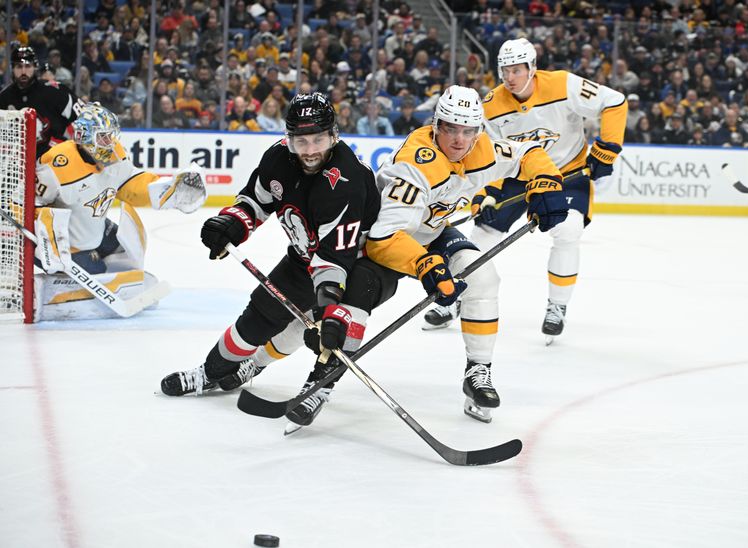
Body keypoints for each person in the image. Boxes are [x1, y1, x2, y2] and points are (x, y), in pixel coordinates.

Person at [261, 86, 567, 429]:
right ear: (436, 125)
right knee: (344, 315)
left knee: (483, 278)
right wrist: (424, 265)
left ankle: (478, 371)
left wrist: (547, 181)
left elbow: (529, 153)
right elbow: (383, 239)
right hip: (379, 242)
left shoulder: (484, 148)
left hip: (431, 234)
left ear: (479, 130)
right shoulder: (415, 165)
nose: (458, 139)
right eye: (450, 128)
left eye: (468, 130)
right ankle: (310, 381)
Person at [159, 93, 382, 408]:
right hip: (303, 257)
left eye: (318, 140)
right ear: (289, 139)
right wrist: (232, 225)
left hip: (354, 264)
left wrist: (325, 309)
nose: (311, 150)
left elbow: (334, 257)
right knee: (257, 319)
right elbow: (255, 201)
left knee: (334, 329)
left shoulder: (347, 179)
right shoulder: (277, 159)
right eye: (302, 142)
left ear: (333, 135)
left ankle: (314, 384)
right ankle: (210, 372)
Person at [422, 39, 627, 346]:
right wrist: (484, 195)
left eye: (517, 70)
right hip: (518, 175)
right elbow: (485, 156)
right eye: (505, 70)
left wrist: (607, 148)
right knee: (481, 236)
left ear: (532, 67)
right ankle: (460, 299)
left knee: (568, 230)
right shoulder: (490, 105)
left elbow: (614, 101)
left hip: (566, 174)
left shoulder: (563, 84)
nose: (510, 77)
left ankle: (557, 306)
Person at [33, 103, 206, 312]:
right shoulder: (55, 165)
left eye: (111, 136)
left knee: (127, 251)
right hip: (68, 243)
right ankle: (65, 285)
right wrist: (47, 244)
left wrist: (167, 191)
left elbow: (129, 182)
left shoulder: (114, 152)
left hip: (96, 227)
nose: (110, 142)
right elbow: (34, 204)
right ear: (85, 137)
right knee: (99, 271)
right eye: (103, 137)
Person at [0, 45, 84, 158]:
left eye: (28, 66)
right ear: (13, 68)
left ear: (35, 67)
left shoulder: (54, 90)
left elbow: (82, 116)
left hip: (57, 159)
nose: (23, 71)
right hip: (19, 164)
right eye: (19, 66)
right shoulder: (4, 97)